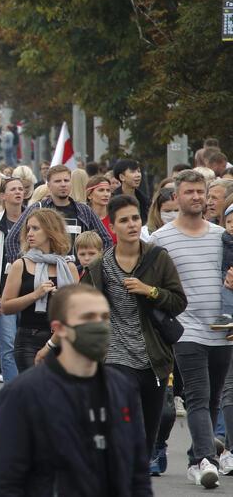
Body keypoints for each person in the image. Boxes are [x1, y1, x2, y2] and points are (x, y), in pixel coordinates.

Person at [0, 284, 152, 496]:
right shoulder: (23, 394)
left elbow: (138, 476)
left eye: (104, 317)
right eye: (89, 317)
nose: (100, 325)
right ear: (60, 328)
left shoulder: (122, 390)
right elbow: (5, 484)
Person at [78, 194, 186, 466]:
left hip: (154, 360)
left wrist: (149, 291)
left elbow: (178, 302)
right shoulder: (99, 265)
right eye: (123, 220)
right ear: (112, 227)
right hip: (114, 358)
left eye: (135, 218)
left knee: (146, 442)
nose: (131, 225)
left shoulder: (158, 258)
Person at [148, 168, 229, 488]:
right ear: (176, 196)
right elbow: (154, 286)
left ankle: (198, 456)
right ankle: (207, 460)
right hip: (186, 328)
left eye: (201, 192)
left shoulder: (220, 235)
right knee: (197, 395)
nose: (196, 197)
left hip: (222, 329)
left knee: (213, 398)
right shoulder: (160, 239)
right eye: (190, 192)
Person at [1, 209, 79, 372]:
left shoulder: (68, 266)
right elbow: (6, 307)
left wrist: (62, 301)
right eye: (28, 229)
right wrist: (35, 295)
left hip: (62, 340)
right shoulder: (21, 265)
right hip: (30, 339)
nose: (30, 233)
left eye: (36, 229)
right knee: (37, 392)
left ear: (50, 231)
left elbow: (78, 310)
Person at [5, 164, 114, 264]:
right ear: (49, 186)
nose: (63, 185)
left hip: (76, 276)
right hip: (44, 276)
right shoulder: (37, 209)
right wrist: (24, 269)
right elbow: (12, 239)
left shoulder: (84, 210)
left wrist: (95, 267)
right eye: (57, 181)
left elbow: (106, 240)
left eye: (66, 180)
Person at [0, 174, 25, 384]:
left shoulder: (33, 221)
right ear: (2, 196)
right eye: (12, 189)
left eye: (21, 188)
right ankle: (13, 390)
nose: (18, 192)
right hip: (4, 294)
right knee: (8, 345)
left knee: (28, 345)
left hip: (30, 292)